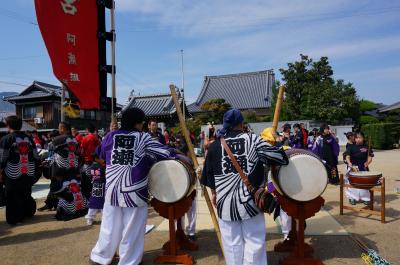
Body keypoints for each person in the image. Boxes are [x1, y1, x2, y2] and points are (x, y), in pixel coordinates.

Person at [201, 109, 288, 265]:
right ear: (242, 124)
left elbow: (209, 177)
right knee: (254, 242)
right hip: (251, 202)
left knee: (232, 245)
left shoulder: (214, 146)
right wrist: (277, 142)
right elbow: (281, 158)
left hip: (225, 204)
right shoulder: (254, 139)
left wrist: (215, 194)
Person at [90, 108, 175, 265]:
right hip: (134, 191)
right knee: (132, 228)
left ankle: (100, 257)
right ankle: (129, 261)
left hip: (112, 190)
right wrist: (182, 155)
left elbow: (100, 154)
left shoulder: (110, 136)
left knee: (109, 225)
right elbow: (166, 153)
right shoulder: (143, 137)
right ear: (138, 123)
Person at [0, 115, 41, 224]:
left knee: (13, 195)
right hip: (28, 171)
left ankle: (15, 218)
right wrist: (36, 168)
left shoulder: (6, 139)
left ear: (8, 126)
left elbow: (2, 157)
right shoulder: (29, 138)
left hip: (12, 173)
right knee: (26, 192)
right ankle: (28, 212)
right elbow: (36, 156)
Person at [49, 122, 88, 220]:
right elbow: (79, 152)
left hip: (61, 168)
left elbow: (50, 146)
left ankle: (63, 207)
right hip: (73, 166)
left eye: (59, 128)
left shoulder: (59, 139)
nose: (59, 130)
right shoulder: (74, 139)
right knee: (73, 186)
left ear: (63, 128)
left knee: (59, 187)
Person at [345, 132, 374, 205]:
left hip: (363, 166)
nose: (358, 139)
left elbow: (370, 156)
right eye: (356, 138)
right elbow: (347, 156)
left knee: (364, 183)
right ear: (354, 139)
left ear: (363, 138)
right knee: (352, 183)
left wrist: (368, 162)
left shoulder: (367, 147)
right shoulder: (351, 147)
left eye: (360, 137)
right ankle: (352, 198)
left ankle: (366, 198)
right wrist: (349, 163)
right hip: (353, 167)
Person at [84, 150, 106, 225]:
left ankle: (90, 219)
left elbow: (90, 177)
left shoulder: (91, 166)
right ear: (96, 159)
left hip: (95, 186)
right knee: (103, 203)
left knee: (94, 202)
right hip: (101, 186)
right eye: (101, 158)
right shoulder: (100, 167)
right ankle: (104, 219)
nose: (103, 159)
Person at [80, 124, 101, 199]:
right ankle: (96, 196)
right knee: (96, 179)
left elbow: (82, 151)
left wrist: (81, 160)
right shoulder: (97, 139)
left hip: (87, 161)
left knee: (87, 179)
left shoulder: (85, 138)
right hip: (96, 162)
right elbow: (99, 149)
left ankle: (87, 197)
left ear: (87, 130)